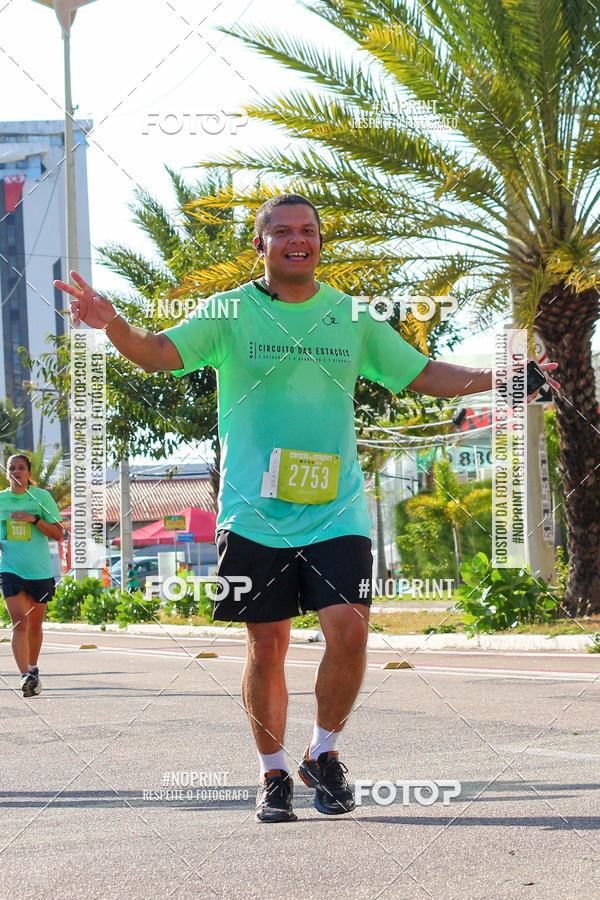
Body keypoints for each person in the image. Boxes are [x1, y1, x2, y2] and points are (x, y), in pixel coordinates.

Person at [55, 193, 558, 823]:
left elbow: (424, 374)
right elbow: (158, 353)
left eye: (310, 230)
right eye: (284, 231)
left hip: (336, 510)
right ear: (261, 244)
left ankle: (323, 753)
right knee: (267, 647)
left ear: (321, 242)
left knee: (349, 631)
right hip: (254, 513)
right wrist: (114, 326)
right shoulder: (231, 312)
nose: (300, 239)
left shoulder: (351, 317)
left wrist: (507, 377)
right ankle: (271, 773)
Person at [0, 453, 63, 697]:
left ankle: (33, 669)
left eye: (21, 468)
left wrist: (34, 519)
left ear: (29, 473)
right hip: (10, 570)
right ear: (7, 473)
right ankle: (24, 675)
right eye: (12, 468)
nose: (16, 472)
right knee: (19, 621)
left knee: (35, 625)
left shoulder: (41, 498)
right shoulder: (1, 500)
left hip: (40, 571)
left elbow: (58, 533)